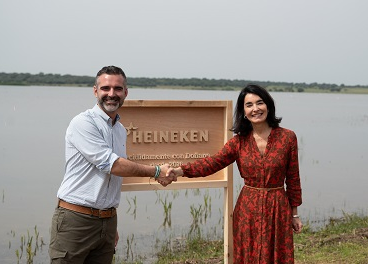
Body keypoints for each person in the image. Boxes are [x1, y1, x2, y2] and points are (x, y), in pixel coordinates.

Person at [49, 65, 174, 263]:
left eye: (117, 89)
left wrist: (108, 224)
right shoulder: (83, 123)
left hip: (107, 221)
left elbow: (111, 179)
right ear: (95, 91)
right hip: (75, 220)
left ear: (126, 92)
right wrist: (157, 171)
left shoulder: (120, 130)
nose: (111, 94)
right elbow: (113, 165)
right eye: (106, 88)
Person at [168, 84, 303, 263]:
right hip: (248, 210)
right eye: (249, 105)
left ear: (268, 106)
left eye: (259, 103)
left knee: (277, 256)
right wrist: (179, 171)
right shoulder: (238, 142)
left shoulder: (287, 138)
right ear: (243, 112)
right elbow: (212, 163)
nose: (255, 109)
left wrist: (294, 214)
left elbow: (293, 178)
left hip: (278, 208)